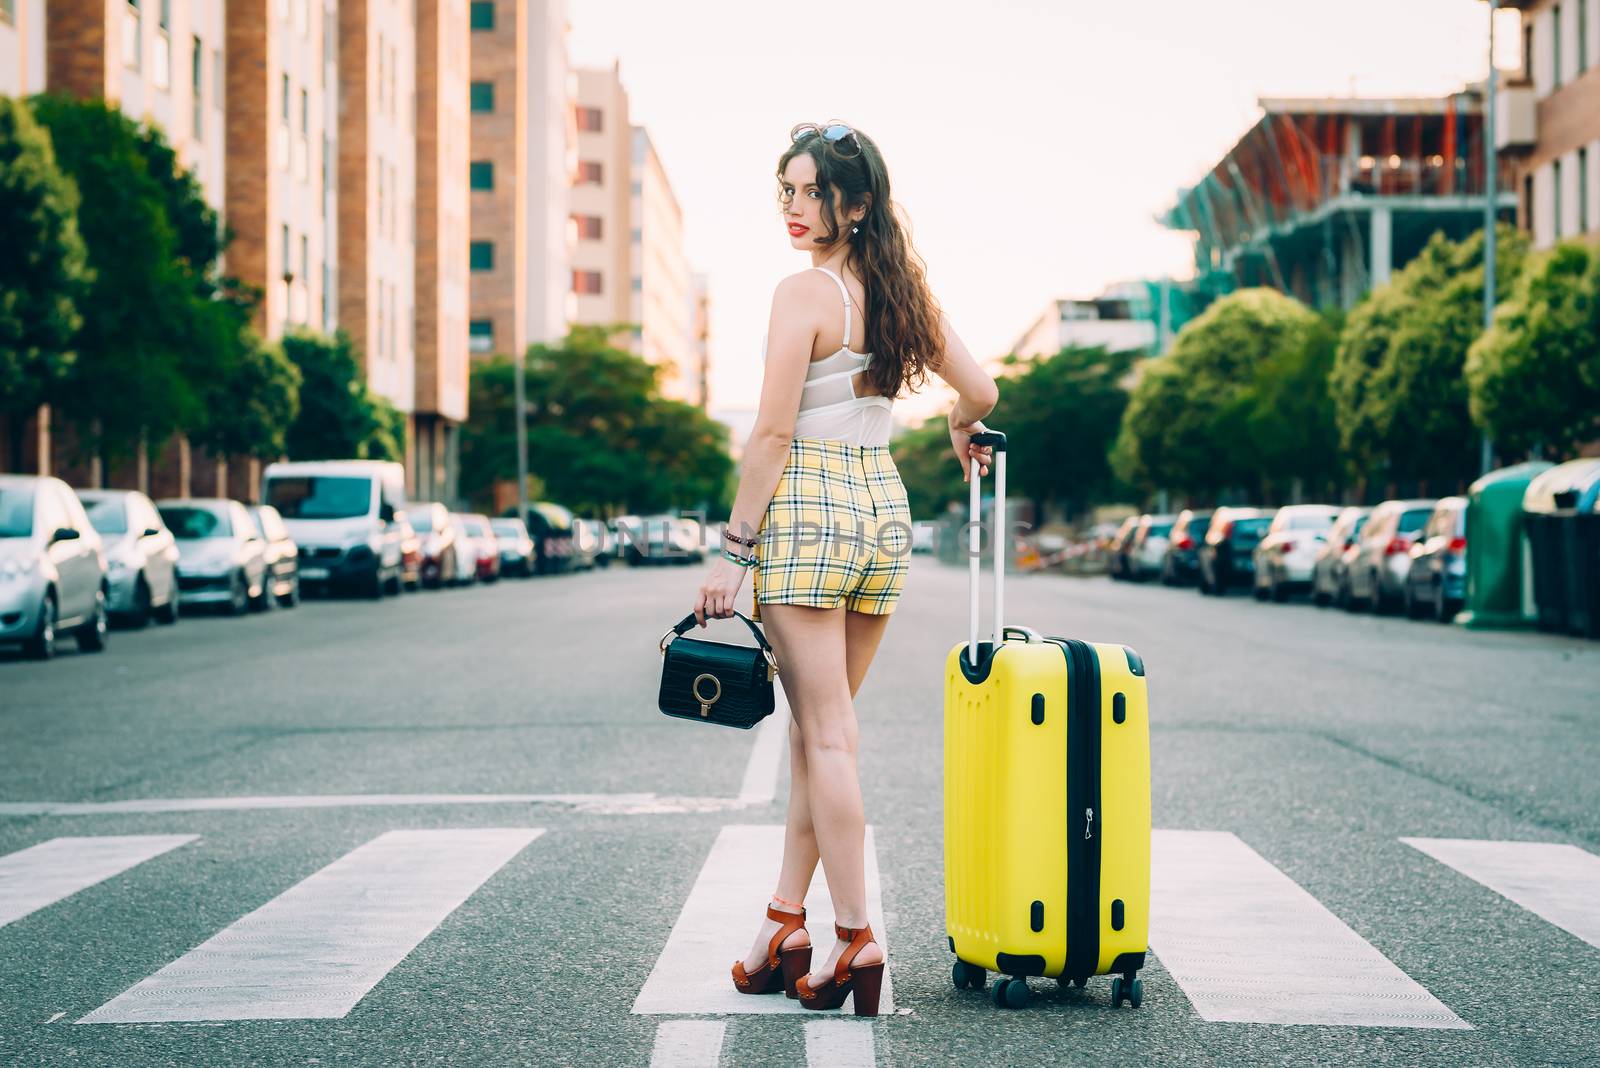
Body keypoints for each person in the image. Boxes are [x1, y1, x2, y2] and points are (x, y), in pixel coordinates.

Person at [694, 120, 999, 1016]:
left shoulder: (805, 293)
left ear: (855, 203)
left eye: (810, 192)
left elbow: (774, 432)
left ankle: (856, 937)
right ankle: (783, 924)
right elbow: (979, 392)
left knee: (825, 735)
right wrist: (955, 426)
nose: (793, 208)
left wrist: (735, 551)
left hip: (809, 508)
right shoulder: (902, 293)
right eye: (784, 191)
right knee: (820, 733)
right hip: (880, 507)